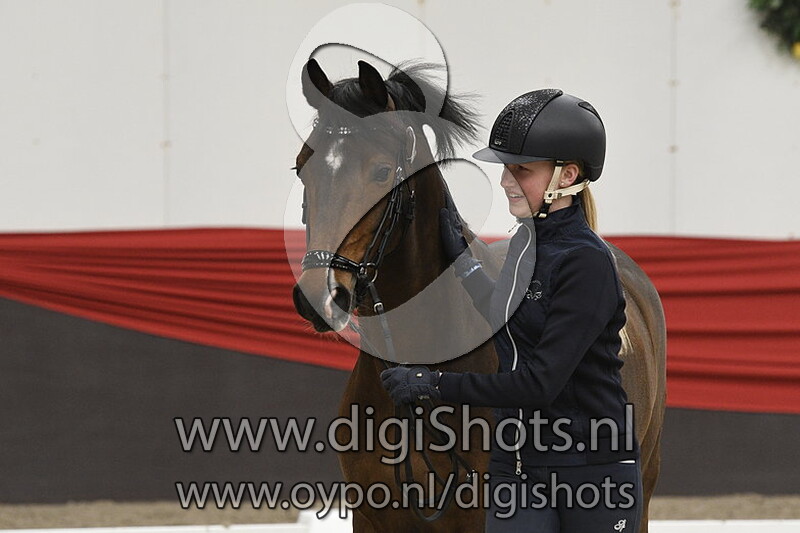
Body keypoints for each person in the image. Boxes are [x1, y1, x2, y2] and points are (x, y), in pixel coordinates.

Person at [381, 89, 642, 532]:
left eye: (521, 170)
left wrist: (432, 383)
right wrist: (463, 263)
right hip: (516, 464)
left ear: (567, 175)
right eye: (505, 168)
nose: (505, 180)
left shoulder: (586, 262)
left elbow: (539, 384)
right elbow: (504, 317)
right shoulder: (524, 242)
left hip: (591, 470)